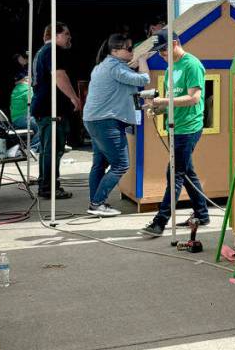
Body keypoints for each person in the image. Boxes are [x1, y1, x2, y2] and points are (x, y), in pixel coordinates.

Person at [140, 31, 209, 236]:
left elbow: (194, 98)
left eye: (163, 49)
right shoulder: (171, 67)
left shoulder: (192, 65)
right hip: (175, 126)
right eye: (158, 51)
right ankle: (202, 214)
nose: (161, 54)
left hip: (189, 127)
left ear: (175, 43)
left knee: (174, 173)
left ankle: (160, 222)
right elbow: (172, 100)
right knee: (186, 172)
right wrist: (157, 108)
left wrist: (162, 101)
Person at [82, 34, 151, 217]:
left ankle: (95, 202)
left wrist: (133, 64)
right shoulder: (115, 68)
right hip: (106, 122)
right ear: (115, 51)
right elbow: (144, 80)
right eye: (129, 49)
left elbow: (124, 81)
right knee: (121, 164)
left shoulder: (104, 65)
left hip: (94, 120)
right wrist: (143, 60)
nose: (132, 51)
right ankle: (97, 203)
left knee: (99, 163)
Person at [32, 22, 81, 200]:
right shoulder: (53, 50)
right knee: (53, 149)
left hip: (44, 108)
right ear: (55, 35)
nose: (69, 37)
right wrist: (73, 97)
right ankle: (49, 187)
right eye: (66, 34)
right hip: (50, 109)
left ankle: (46, 184)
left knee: (48, 149)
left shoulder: (41, 52)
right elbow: (59, 75)